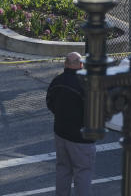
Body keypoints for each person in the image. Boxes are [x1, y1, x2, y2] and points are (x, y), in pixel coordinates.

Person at [46, 52, 95, 196]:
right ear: (81, 65)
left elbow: (49, 102)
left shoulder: (57, 81)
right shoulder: (85, 84)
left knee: (63, 169)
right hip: (81, 138)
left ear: (66, 64)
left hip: (60, 132)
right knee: (83, 173)